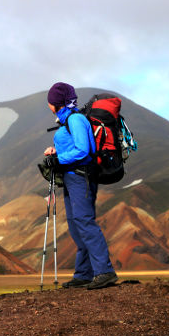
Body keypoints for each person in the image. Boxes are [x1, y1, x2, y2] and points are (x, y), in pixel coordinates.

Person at [43, 82, 117, 289]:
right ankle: (84, 273)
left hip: (80, 177)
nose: (48, 104)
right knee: (77, 226)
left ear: (56, 103)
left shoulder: (75, 119)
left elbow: (83, 150)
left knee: (85, 222)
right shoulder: (68, 120)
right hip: (72, 177)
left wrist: (59, 160)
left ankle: (105, 271)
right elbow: (75, 148)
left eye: (50, 101)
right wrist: (56, 153)